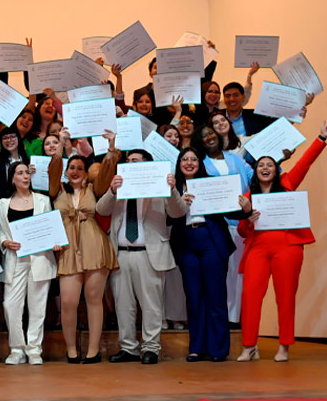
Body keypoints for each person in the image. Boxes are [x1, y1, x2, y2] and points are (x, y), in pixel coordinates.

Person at [236, 122, 327, 362]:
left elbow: (305, 163)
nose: (265, 168)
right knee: (250, 296)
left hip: (288, 247)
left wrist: (321, 138)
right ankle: (249, 346)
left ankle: (284, 346)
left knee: (285, 297)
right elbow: (243, 232)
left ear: (276, 170)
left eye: (270, 165)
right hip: (257, 249)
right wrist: (247, 216)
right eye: (260, 165)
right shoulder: (247, 197)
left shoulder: (287, 185)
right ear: (255, 172)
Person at [97, 150, 186, 364]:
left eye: (135, 161)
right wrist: (112, 190)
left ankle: (151, 348)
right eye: (127, 161)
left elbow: (178, 212)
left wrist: (172, 190)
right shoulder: (120, 187)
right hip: (121, 254)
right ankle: (129, 348)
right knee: (123, 305)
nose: (129, 164)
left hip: (149, 253)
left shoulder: (159, 187)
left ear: (147, 165)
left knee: (151, 305)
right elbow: (100, 209)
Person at [171, 148, 252, 362]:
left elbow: (230, 210)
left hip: (211, 241)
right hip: (187, 242)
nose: (189, 163)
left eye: (193, 159)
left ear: (200, 163)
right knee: (194, 297)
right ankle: (196, 348)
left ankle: (218, 349)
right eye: (185, 159)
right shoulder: (173, 188)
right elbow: (168, 217)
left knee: (216, 296)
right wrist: (178, 200)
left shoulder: (212, 183)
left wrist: (245, 209)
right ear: (179, 164)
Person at [49, 128, 119, 363]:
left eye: (80, 168)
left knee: (93, 298)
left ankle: (93, 350)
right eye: (72, 168)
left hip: (94, 246)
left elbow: (108, 173)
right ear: (66, 172)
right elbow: (54, 168)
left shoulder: (94, 189)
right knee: (68, 302)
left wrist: (110, 147)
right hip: (68, 249)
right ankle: (71, 349)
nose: (76, 171)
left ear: (86, 172)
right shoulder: (56, 190)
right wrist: (61, 143)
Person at [0, 162, 58, 365]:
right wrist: (4, 241)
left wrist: (55, 241)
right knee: (10, 305)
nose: (25, 176)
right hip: (15, 259)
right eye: (19, 173)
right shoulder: (3, 203)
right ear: (12, 178)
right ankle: (16, 349)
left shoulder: (43, 200)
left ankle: (34, 349)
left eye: (26, 173)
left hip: (39, 258)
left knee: (38, 306)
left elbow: (50, 227)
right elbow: (1, 233)